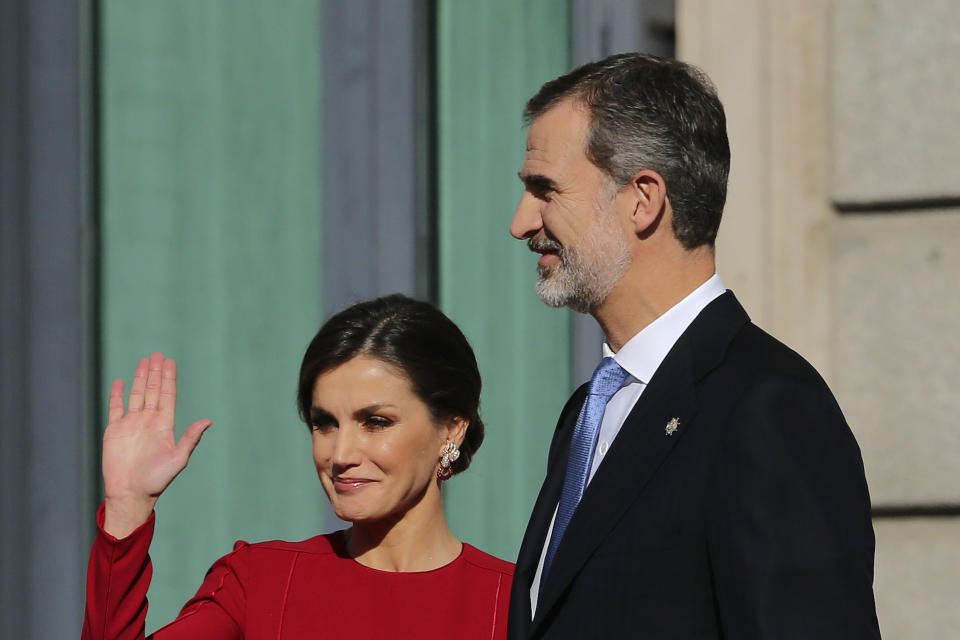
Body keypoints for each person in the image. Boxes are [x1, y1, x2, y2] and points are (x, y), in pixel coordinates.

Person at [507, 53, 881, 639]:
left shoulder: (768, 409)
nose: (521, 221)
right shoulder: (587, 414)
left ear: (643, 200)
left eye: (544, 189)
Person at [82, 295, 513, 639]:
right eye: (325, 423)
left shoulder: (515, 604)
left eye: (376, 422)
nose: (340, 454)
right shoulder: (259, 582)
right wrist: (127, 507)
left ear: (451, 429)